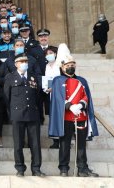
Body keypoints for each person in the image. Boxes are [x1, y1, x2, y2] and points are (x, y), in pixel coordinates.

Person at [49, 44, 99, 177]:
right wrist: (70, 106)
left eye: (72, 64)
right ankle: (63, 168)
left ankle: (82, 168)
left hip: (80, 116)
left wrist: (81, 105)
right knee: (64, 143)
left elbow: (85, 96)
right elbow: (58, 98)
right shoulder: (57, 80)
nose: (71, 67)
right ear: (62, 67)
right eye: (68, 65)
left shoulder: (82, 80)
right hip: (66, 117)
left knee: (81, 145)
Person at [4, 53, 45, 177]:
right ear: (16, 64)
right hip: (17, 114)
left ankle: (36, 168)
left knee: (35, 144)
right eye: (21, 62)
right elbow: (7, 97)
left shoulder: (33, 77)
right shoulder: (10, 77)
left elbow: (38, 96)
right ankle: (20, 168)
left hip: (32, 113)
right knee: (18, 143)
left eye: (26, 62)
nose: (24, 64)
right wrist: (11, 113)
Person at [43, 46, 60, 149]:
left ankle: (63, 139)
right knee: (52, 118)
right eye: (47, 53)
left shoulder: (60, 65)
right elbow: (46, 80)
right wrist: (46, 88)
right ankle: (55, 141)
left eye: (51, 53)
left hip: (60, 95)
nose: (49, 55)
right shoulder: (46, 66)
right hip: (50, 96)